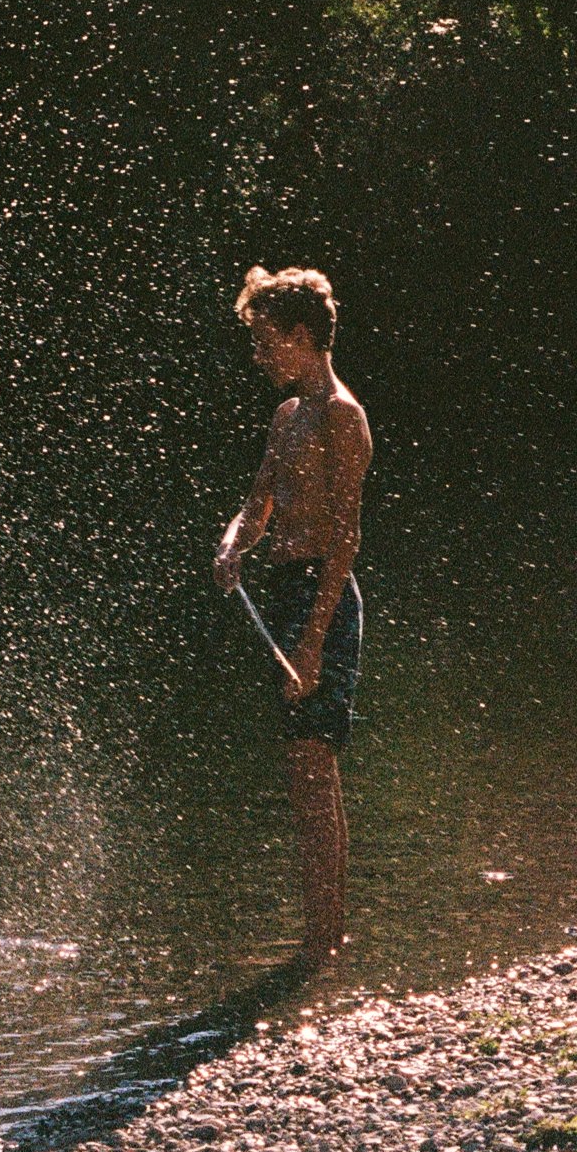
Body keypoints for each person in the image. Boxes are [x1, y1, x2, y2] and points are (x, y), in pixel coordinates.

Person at [213, 265, 373, 974]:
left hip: (324, 597)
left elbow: (344, 538)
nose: (258, 355)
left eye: (266, 341)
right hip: (281, 590)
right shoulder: (286, 416)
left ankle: (326, 939)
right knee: (299, 772)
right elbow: (258, 503)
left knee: (317, 766)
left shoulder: (341, 414)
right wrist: (231, 543)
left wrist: (311, 642)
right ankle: (318, 940)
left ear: (302, 337)